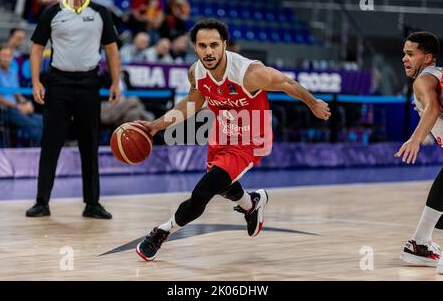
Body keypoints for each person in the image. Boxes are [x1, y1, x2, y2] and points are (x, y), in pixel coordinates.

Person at [134, 19, 331, 261]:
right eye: (202, 45)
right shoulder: (196, 72)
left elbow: (287, 84)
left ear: (225, 45)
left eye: (214, 45)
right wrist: (155, 126)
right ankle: (251, 203)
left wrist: (313, 103)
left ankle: (162, 232)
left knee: (204, 190)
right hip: (222, 132)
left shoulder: (249, 73)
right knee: (223, 184)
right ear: (194, 47)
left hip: (250, 138)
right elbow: (193, 103)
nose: (208, 51)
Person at [25, 0, 121, 219]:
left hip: (89, 84)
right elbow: (37, 48)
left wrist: (115, 81)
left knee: (89, 144)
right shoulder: (52, 12)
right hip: (58, 83)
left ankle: (92, 203)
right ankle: (42, 201)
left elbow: (111, 48)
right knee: (51, 142)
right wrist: (36, 82)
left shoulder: (100, 13)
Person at [395, 31, 443, 271]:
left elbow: (433, 108)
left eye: (410, 54)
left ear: (428, 57)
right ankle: (419, 244)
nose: (404, 58)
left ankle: (420, 243)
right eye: (404, 53)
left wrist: (415, 139)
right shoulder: (432, 76)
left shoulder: (423, 80)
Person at [0, 43, 42, 145]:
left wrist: (26, 103)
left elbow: (16, 93)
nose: (6, 59)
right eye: (4, 56)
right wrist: (17, 106)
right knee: (33, 125)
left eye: (9, 56)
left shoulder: (12, 70)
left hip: (15, 108)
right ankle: (38, 155)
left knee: (41, 121)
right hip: (1, 110)